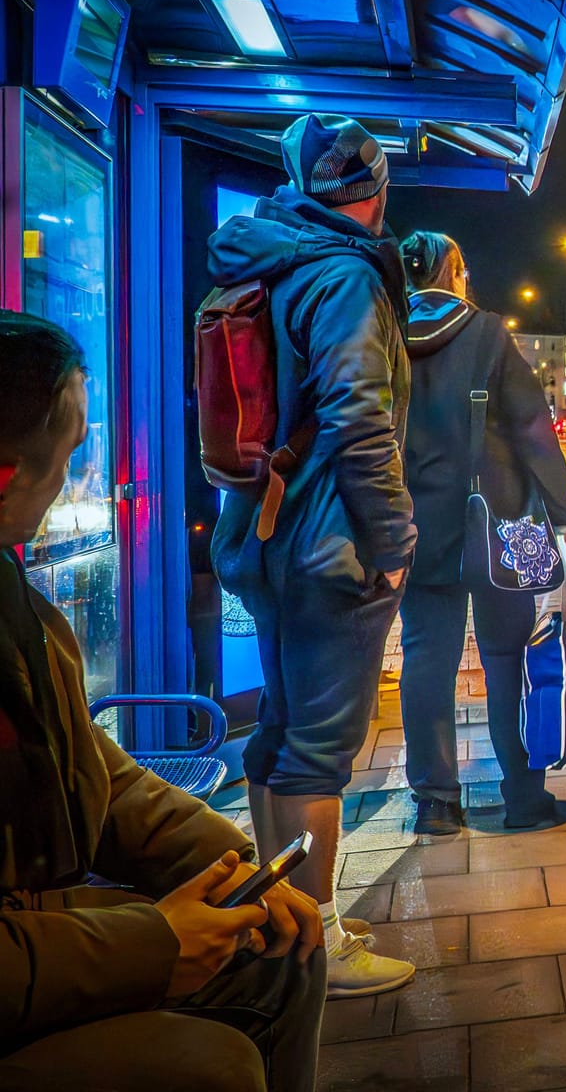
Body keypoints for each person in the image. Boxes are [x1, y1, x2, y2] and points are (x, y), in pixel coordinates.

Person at [0, 312, 325, 1092]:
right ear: (7, 470)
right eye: (74, 454)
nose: (81, 483)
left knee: (279, 951)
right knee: (209, 1069)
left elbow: (92, 768)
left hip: (44, 932)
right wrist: (155, 942)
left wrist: (234, 866)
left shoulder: (16, 596)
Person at [208, 113, 416, 998]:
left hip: (262, 534)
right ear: (373, 196)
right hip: (329, 547)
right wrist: (397, 541)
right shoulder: (344, 277)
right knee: (321, 751)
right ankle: (317, 943)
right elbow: (359, 418)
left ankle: (280, 914)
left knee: (280, 734)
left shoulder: (262, 259)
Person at [395, 232, 566, 836]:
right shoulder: (487, 334)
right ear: (454, 272)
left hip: (416, 526)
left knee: (428, 658)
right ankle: (524, 797)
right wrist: (562, 512)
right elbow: (531, 426)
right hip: (495, 523)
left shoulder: (385, 335)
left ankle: (436, 803)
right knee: (508, 658)